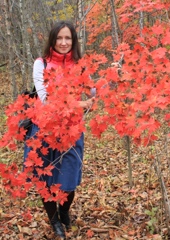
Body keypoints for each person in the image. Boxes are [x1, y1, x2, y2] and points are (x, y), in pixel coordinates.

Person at [24, 20, 94, 239]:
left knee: (69, 180)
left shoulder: (79, 65)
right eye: (59, 38)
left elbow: (94, 91)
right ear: (52, 39)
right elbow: (46, 99)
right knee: (45, 181)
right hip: (43, 130)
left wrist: (112, 80)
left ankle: (63, 209)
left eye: (68, 38)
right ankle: (54, 221)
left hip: (72, 131)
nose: (63, 42)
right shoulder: (41, 64)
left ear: (73, 41)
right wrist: (79, 104)